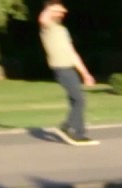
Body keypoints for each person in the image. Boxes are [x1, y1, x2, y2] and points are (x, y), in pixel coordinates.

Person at [39, 0, 97, 146]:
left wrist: (85, 73)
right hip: (61, 69)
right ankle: (71, 130)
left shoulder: (62, 30)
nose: (62, 13)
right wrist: (51, 8)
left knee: (76, 100)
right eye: (58, 11)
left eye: (62, 11)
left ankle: (76, 131)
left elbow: (72, 53)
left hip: (70, 68)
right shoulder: (48, 28)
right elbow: (42, 18)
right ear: (49, 11)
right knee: (79, 100)